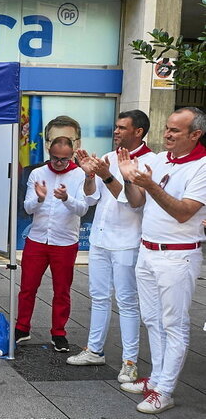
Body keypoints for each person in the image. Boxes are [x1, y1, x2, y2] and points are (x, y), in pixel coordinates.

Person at [116, 107, 206, 414]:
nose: (167, 134)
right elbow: (136, 201)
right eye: (167, 128)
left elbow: (183, 212)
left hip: (178, 255)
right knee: (152, 320)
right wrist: (129, 179)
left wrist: (151, 184)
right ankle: (156, 379)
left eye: (176, 131)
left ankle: (165, 390)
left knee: (175, 325)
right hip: (148, 251)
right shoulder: (158, 159)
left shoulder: (202, 167)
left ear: (195, 134)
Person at [67, 110, 156, 383]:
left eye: (121, 127)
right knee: (98, 296)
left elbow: (133, 201)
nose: (116, 131)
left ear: (138, 131)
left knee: (128, 301)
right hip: (100, 238)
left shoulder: (150, 162)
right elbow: (92, 198)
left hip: (127, 241)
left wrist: (106, 175)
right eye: (115, 127)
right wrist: (90, 175)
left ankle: (129, 362)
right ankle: (94, 349)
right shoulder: (107, 157)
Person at [15, 136, 88, 352]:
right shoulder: (37, 173)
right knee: (27, 287)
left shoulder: (80, 174)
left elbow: (83, 209)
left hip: (65, 241)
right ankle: (22, 327)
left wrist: (66, 198)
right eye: (54, 158)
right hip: (37, 238)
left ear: (72, 155)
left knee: (62, 290)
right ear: (49, 152)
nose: (58, 163)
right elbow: (27, 208)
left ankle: (59, 332)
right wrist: (39, 198)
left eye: (63, 160)